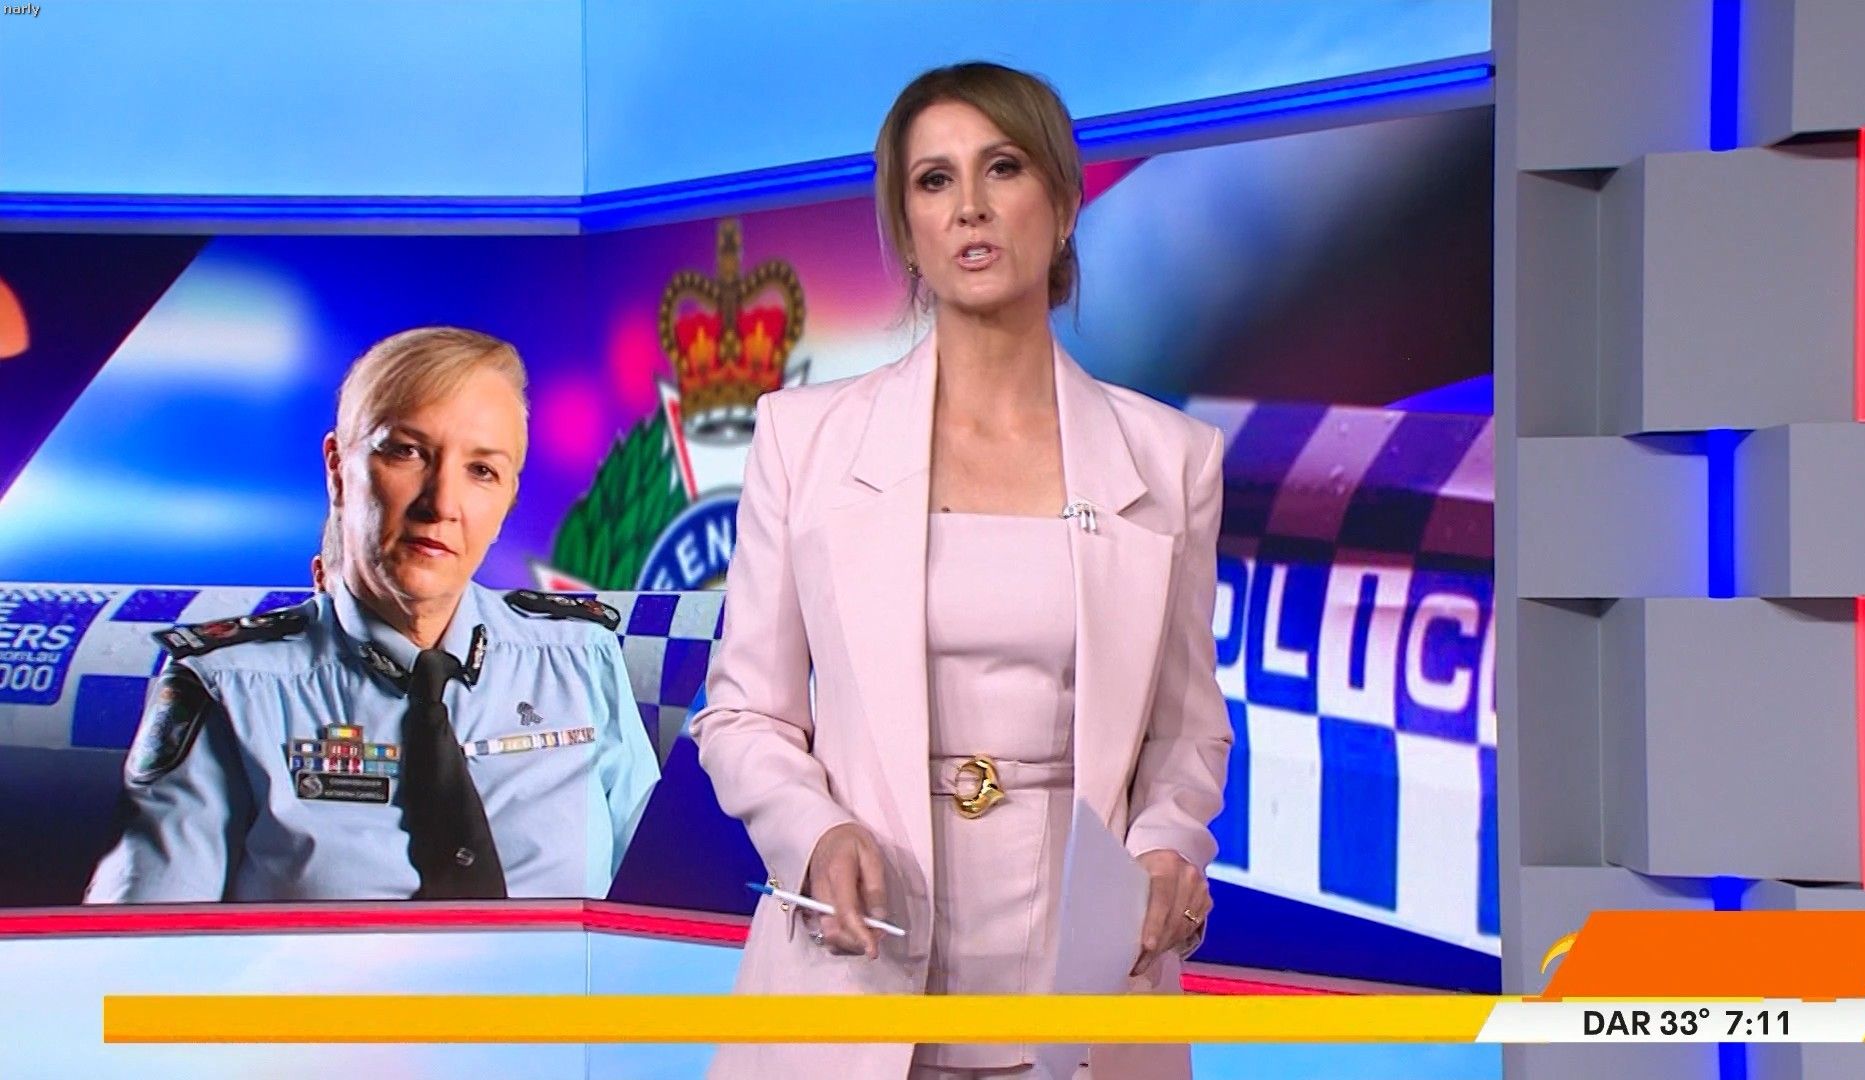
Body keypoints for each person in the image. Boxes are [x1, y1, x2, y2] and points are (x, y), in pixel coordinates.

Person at [688, 63, 1231, 1080]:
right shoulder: (805, 441)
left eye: (1003, 168)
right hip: (853, 980)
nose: (970, 206)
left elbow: (1187, 732)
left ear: (1063, 205)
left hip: (1084, 993)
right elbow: (743, 713)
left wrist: (1167, 847)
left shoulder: (1171, 462)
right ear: (907, 228)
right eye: (934, 180)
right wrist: (814, 833)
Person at [87, 327, 659, 902]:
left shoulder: (580, 661)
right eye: (407, 452)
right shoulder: (231, 689)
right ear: (338, 469)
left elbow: (661, 912)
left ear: (509, 498)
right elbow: (142, 947)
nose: (442, 504)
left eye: (481, 471)